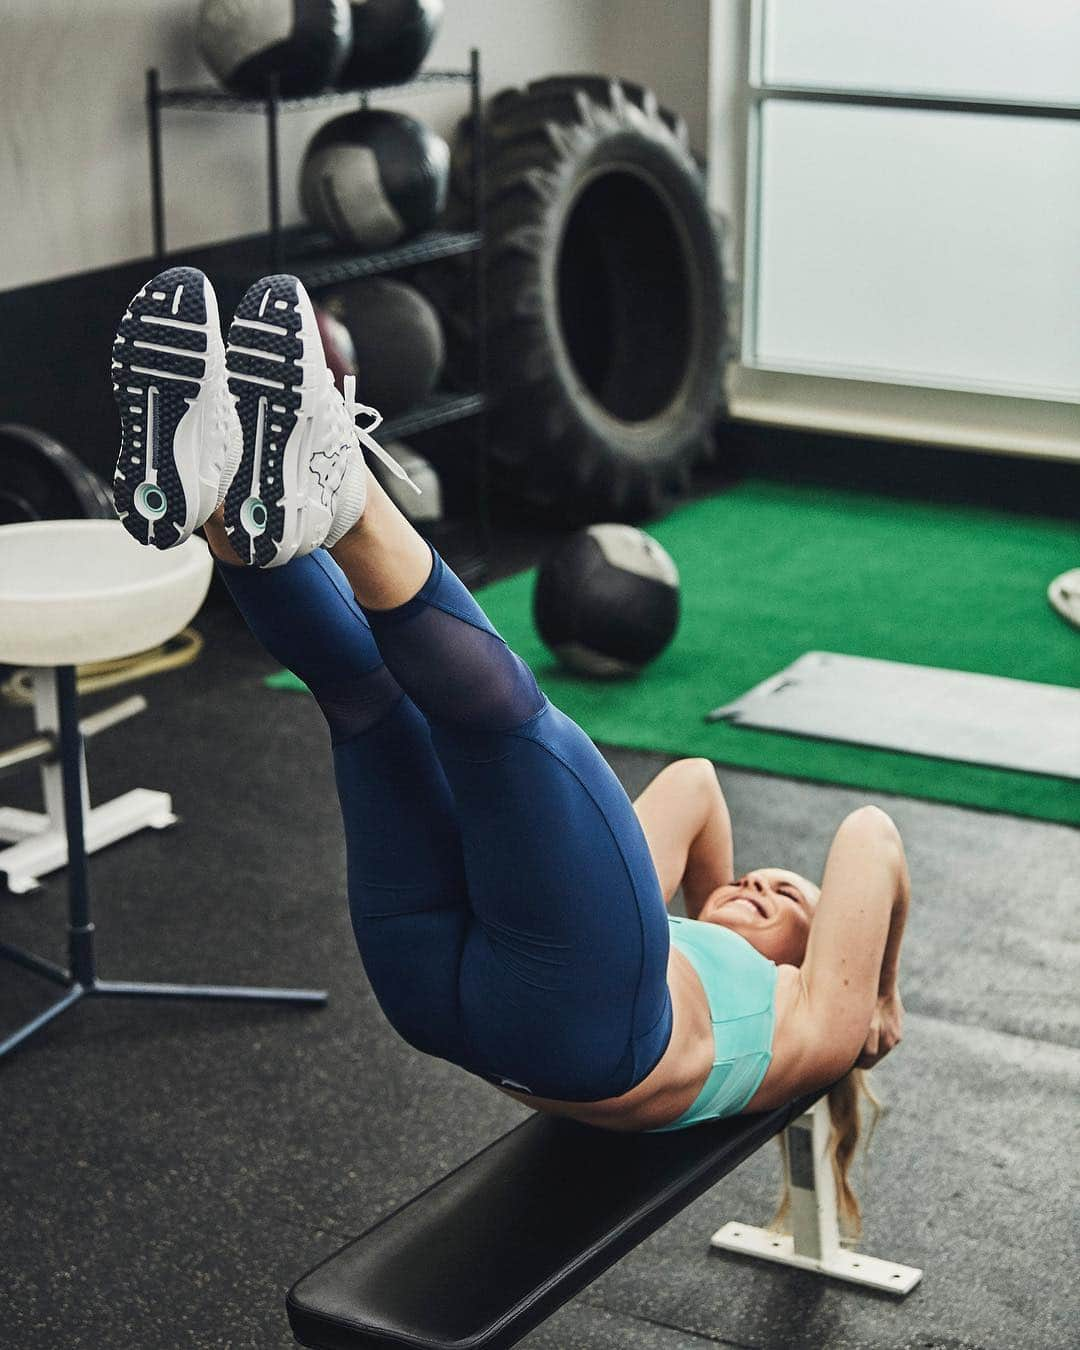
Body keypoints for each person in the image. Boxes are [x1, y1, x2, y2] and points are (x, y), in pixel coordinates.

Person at [110, 267, 909, 1152]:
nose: (760, 885)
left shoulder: (812, 1020)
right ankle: (211, 489)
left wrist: (881, 988)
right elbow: (695, 780)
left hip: (582, 1031)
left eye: (787, 896)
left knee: (506, 727)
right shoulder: (652, 930)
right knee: (370, 708)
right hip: (469, 999)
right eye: (764, 879)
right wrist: (718, 890)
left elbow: (869, 834)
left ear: (823, 944)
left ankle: (347, 492)